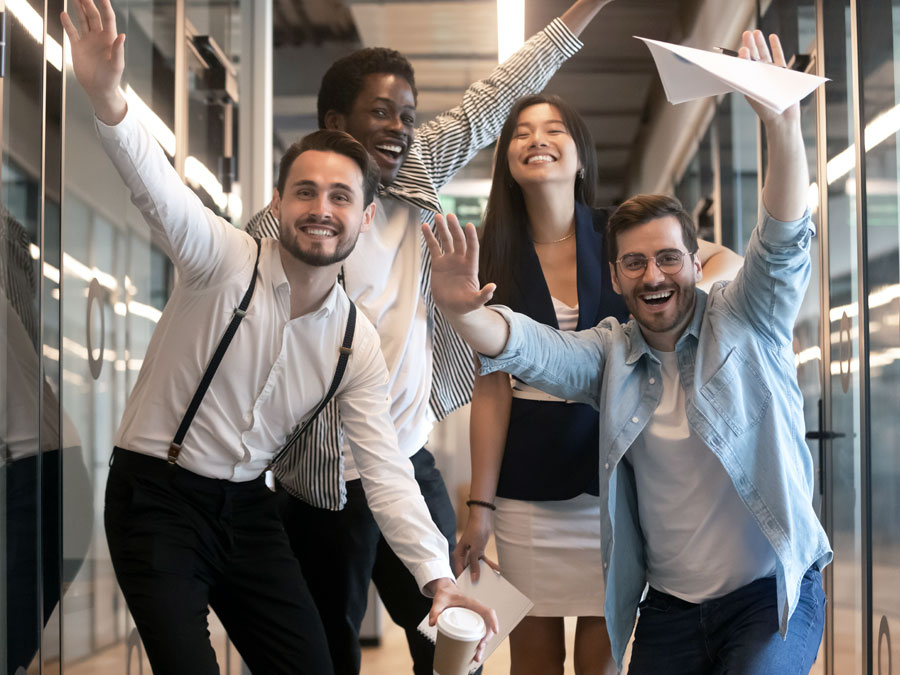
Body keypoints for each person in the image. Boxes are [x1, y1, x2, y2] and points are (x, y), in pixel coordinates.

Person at [60, 1, 497, 673]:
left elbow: (385, 469)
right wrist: (106, 94)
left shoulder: (354, 342)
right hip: (157, 498)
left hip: (248, 506)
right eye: (306, 192)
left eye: (341, 198)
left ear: (365, 215)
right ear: (280, 202)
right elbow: (155, 187)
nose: (322, 209)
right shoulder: (220, 258)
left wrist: (437, 576)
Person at [425, 30, 831, 675]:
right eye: (635, 265)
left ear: (694, 264)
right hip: (648, 578)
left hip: (739, 574)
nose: (652, 276)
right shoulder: (608, 351)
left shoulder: (733, 311)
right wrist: (464, 313)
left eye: (669, 260)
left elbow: (779, 243)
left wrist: (780, 124)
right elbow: (529, 352)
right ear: (616, 279)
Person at [246, 1, 618, 672]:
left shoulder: (416, 171)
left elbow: (497, 94)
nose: (398, 129)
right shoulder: (283, 225)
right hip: (318, 476)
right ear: (336, 124)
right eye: (380, 113)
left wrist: (581, 12)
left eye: (407, 115)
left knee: (454, 642)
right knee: (324, 651)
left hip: (408, 459)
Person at [454, 93, 742, 674]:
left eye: (554, 128)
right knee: (533, 660)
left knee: (602, 658)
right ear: (506, 162)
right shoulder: (492, 252)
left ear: (580, 155)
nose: (537, 138)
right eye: (521, 132)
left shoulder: (619, 232)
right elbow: (491, 388)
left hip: (617, 471)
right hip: (527, 483)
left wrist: (678, 317)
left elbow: (721, 260)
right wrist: (478, 505)